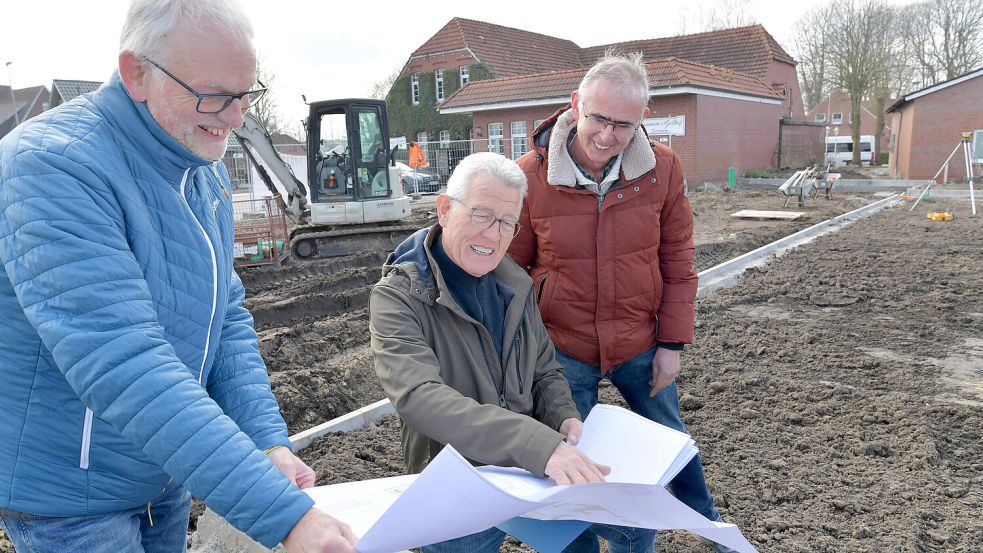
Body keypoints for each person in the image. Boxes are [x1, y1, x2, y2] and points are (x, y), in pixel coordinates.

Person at [0, 1, 354, 552]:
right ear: (135, 72)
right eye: (214, 95)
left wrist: (266, 442)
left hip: (162, 477)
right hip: (74, 498)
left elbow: (225, 317)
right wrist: (285, 517)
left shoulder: (198, 172)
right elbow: (123, 362)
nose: (236, 119)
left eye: (246, 95)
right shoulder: (53, 166)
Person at [508, 52, 735, 553]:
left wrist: (672, 343)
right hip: (563, 346)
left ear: (642, 121)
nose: (608, 135)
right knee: (573, 457)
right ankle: (583, 545)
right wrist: (526, 355)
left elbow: (677, 259)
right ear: (576, 105)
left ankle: (709, 527)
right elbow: (513, 272)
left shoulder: (663, 171)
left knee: (671, 446)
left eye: (623, 124)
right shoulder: (531, 176)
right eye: (599, 118)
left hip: (639, 339)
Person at [370, 152, 610, 553]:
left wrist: (562, 414)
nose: (493, 235)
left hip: (532, 474)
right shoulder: (399, 298)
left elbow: (544, 368)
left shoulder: (514, 284)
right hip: (456, 484)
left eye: (506, 224)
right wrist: (535, 444)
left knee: (582, 545)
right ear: (445, 209)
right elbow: (419, 398)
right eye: (481, 215)